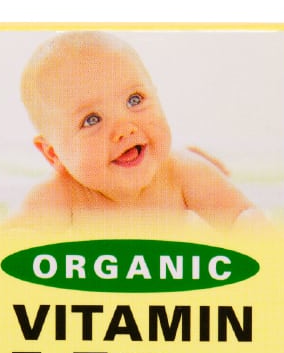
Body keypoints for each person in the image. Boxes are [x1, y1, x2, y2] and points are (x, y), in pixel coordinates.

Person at [15, 31, 259, 230]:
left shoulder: (183, 172)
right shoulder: (60, 197)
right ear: (53, 154)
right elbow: (13, 249)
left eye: (134, 100)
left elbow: (242, 217)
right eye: (91, 120)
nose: (124, 129)